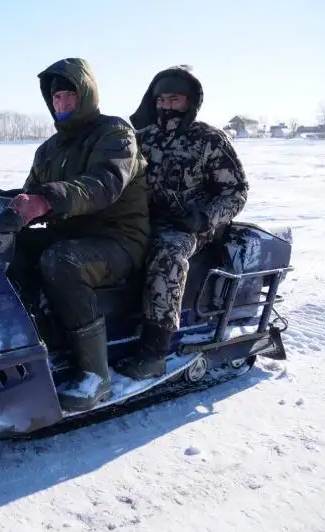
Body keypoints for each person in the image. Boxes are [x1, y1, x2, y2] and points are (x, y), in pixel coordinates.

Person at [0, 58, 150, 411]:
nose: (62, 104)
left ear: (86, 95)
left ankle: (95, 375)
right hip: (69, 233)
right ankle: (31, 342)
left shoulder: (115, 134)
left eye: (69, 95)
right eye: (56, 98)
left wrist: (45, 200)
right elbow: (32, 193)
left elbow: (102, 184)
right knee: (9, 248)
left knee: (61, 261)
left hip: (119, 239)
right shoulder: (49, 149)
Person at [114, 65, 249, 380]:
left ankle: (154, 351)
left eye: (174, 99)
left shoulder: (209, 140)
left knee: (167, 256)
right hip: (141, 219)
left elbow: (236, 191)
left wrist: (204, 217)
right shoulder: (141, 138)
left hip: (188, 226)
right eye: (161, 100)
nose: (165, 106)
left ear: (190, 102)